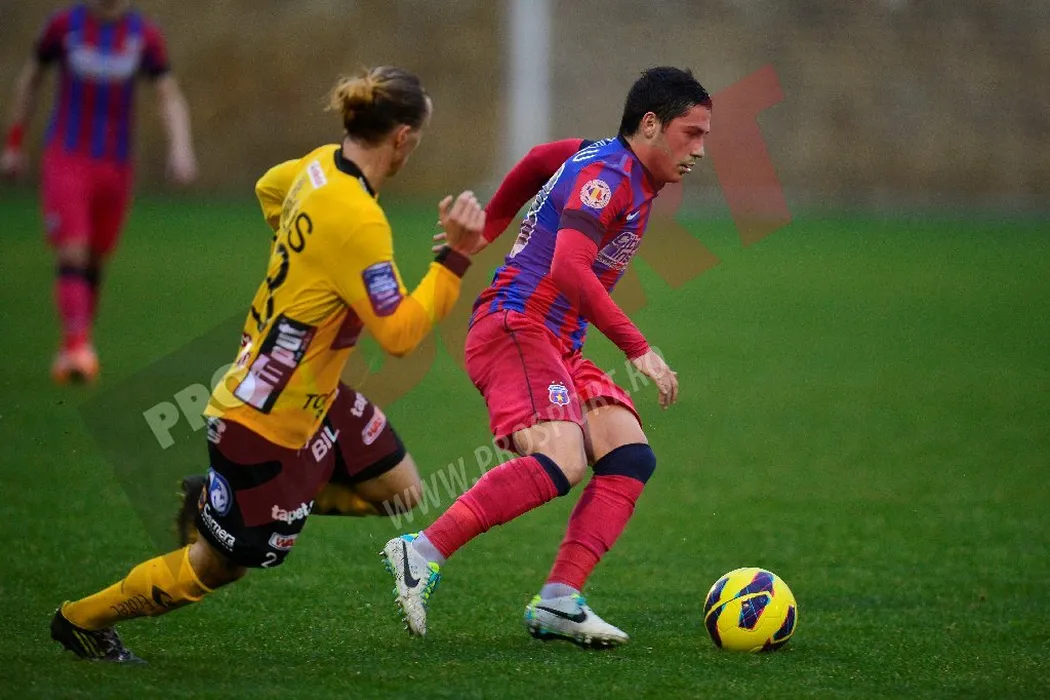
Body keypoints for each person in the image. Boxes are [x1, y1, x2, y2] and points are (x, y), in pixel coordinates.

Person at [49, 66, 485, 663]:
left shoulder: (320, 165)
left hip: (315, 394)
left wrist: (305, 261)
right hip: (263, 422)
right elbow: (401, 335)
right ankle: (81, 619)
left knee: (401, 491)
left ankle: (232, 499)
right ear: (403, 137)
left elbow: (268, 189)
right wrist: (455, 258)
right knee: (218, 567)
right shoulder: (358, 219)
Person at [381, 66, 712, 648]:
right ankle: (422, 551)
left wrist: (486, 229)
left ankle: (559, 599)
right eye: (692, 133)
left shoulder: (605, 160)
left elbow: (539, 160)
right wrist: (638, 349)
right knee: (563, 458)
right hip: (516, 326)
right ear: (651, 125)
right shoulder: (607, 176)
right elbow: (568, 269)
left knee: (629, 453)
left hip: (557, 342)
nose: (700, 150)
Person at [0, 0, 198, 384]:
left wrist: (181, 148)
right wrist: (13, 143)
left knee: (95, 256)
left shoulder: (143, 35)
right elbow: (31, 80)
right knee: (72, 248)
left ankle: (78, 344)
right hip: (66, 157)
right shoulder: (63, 26)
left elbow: (168, 93)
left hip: (117, 164)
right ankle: (76, 346)